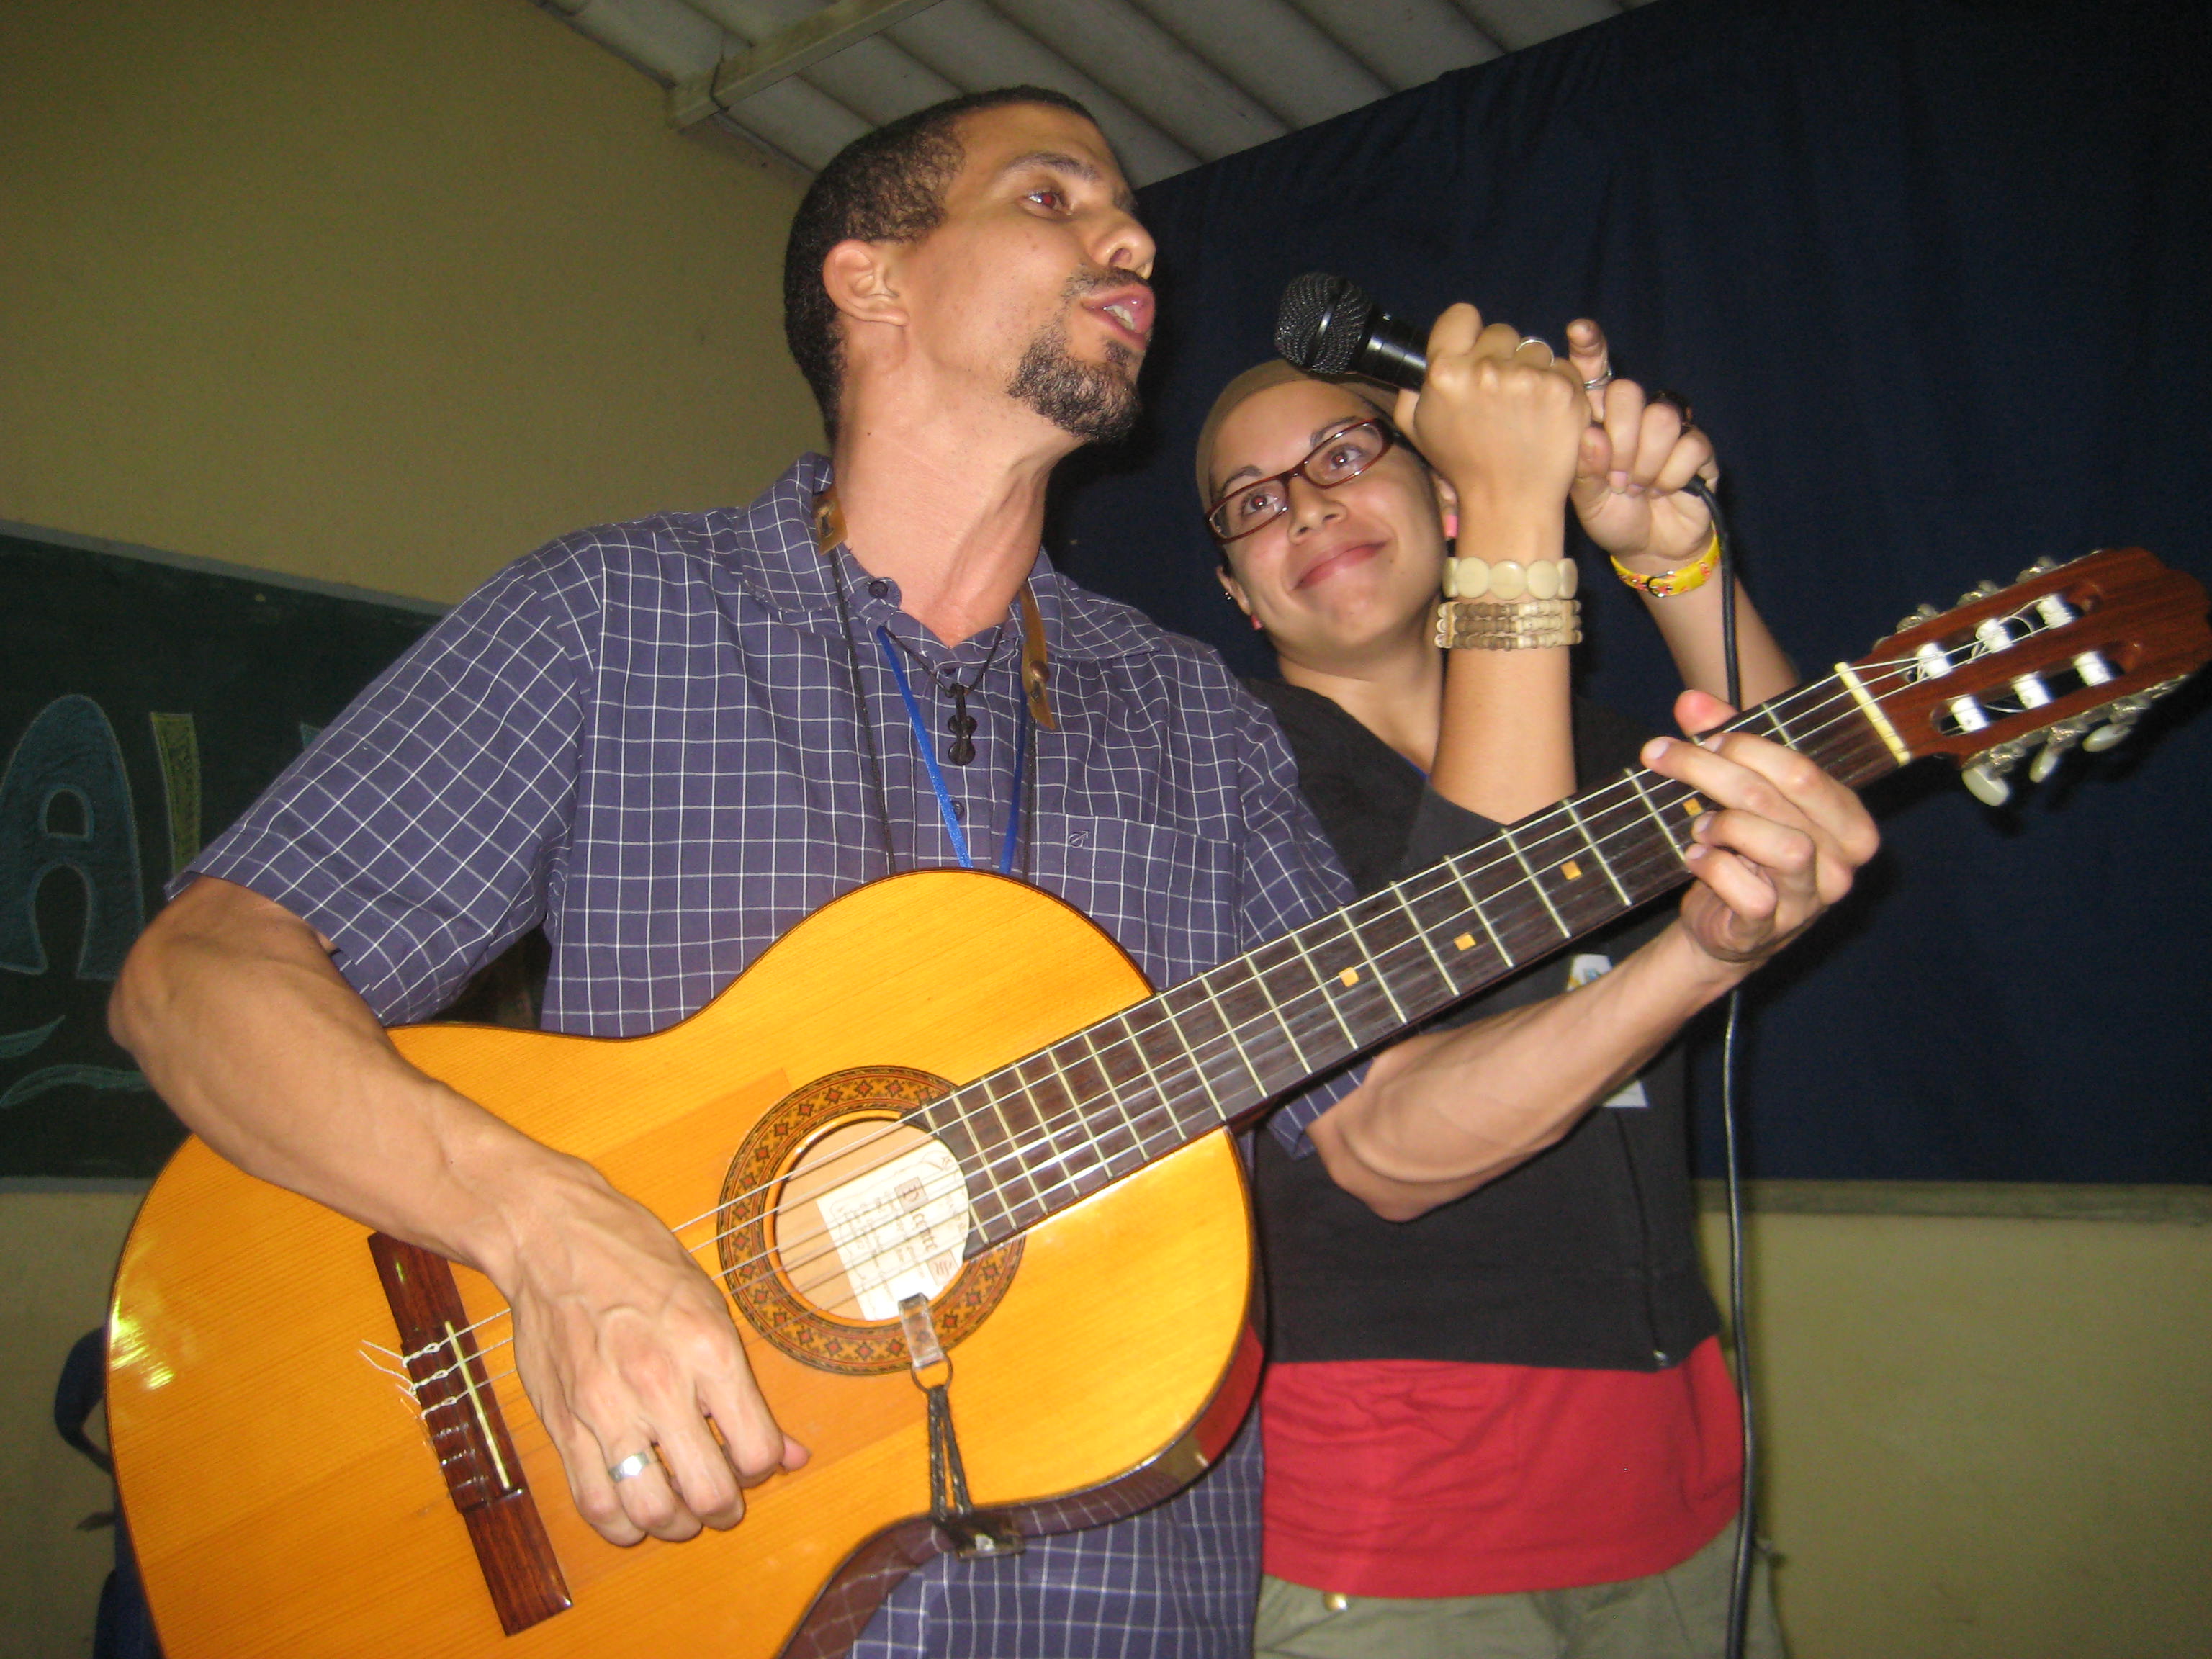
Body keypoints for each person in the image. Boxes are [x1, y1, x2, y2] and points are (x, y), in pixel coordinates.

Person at [110, 86, 1874, 1658]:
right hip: (664, 1565)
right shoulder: (617, 618)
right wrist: (554, 1238)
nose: (1131, 237)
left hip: (1129, 1596)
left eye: (1127, 213)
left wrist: (1705, 950)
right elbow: (196, 977)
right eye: (1052, 198)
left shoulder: (1193, 717)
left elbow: (1388, 1132)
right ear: (870, 282)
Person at [1196, 315, 1798, 1657]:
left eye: (1345, 452)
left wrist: (1669, 555)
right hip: (1399, 1529)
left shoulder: (1595, 748)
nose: (1307, 504)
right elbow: (1469, 975)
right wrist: (1522, 525)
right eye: (1252, 502)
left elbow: (1806, 798)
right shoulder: (1219, 780)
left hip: (1678, 1490)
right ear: (1241, 596)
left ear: (1440, 486)